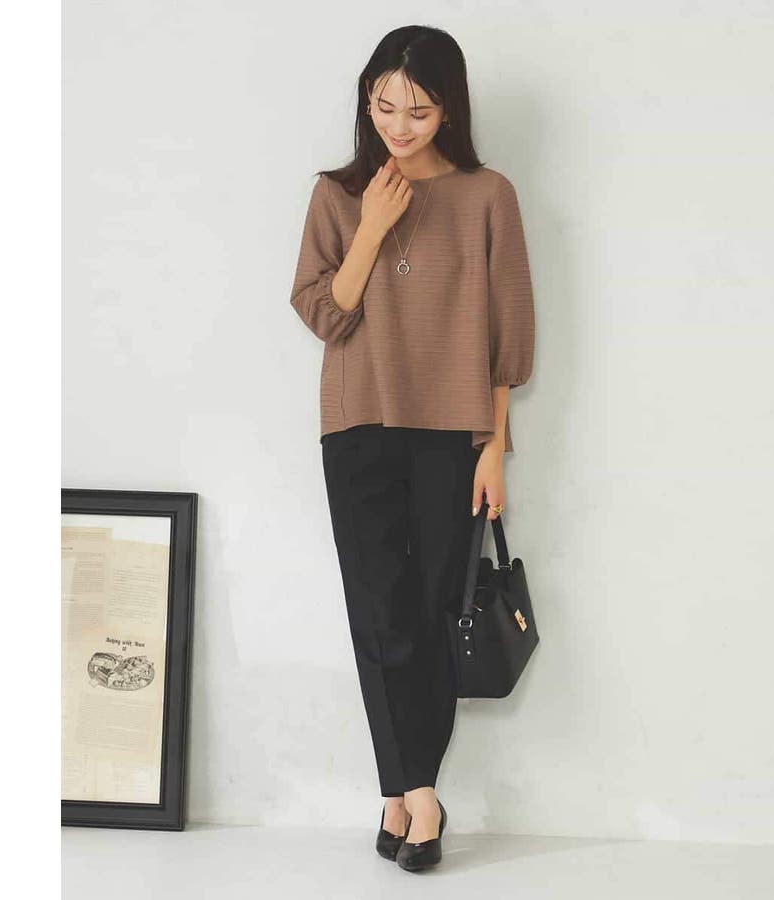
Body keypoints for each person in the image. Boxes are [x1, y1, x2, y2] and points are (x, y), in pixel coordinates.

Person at [289, 25, 535, 872]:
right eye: (384, 106)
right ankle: (421, 795)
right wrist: (371, 226)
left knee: (432, 613)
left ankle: (401, 796)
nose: (398, 125)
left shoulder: (488, 195)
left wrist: (494, 447)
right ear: (368, 102)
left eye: (419, 111)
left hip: (452, 434)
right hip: (357, 425)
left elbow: (508, 333)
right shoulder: (336, 195)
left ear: (449, 109)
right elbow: (324, 315)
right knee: (378, 613)